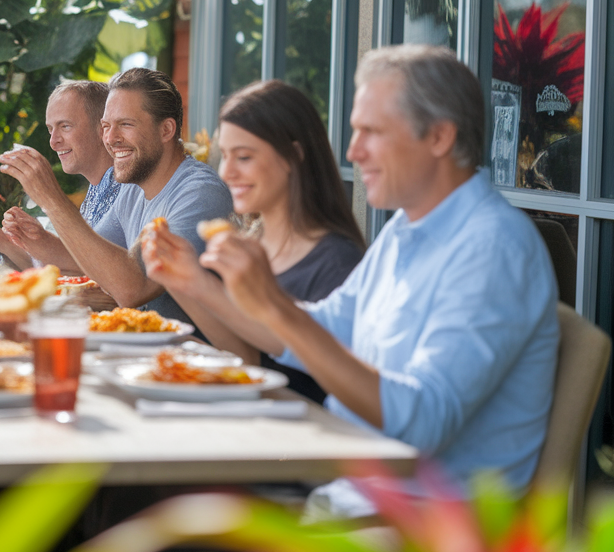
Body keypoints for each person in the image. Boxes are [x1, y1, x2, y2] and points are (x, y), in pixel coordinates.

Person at [165, 46, 559, 515]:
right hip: (351, 501)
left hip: (419, 538)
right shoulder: (406, 230)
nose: (352, 151)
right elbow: (317, 330)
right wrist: (220, 289)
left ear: (438, 136)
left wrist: (274, 305)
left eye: (370, 132)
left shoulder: (492, 247)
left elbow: (422, 423)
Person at [143, 80, 365, 401]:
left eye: (244, 157)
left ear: (294, 156)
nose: (226, 172)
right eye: (226, 156)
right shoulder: (251, 242)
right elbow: (244, 358)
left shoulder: (337, 262)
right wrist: (182, 282)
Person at [0, 67, 233, 323]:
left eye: (125, 124)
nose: (110, 139)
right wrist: (35, 239)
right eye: (106, 126)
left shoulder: (199, 193)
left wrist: (51, 200)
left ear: (166, 130)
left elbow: (134, 290)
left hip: (192, 357)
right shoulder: (134, 187)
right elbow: (91, 261)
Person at [0, 80, 119, 271]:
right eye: (50, 129)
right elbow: (75, 269)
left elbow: (112, 277)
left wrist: (48, 196)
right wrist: (6, 241)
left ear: (103, 128)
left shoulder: (129, 190)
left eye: (65, 126)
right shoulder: (98, 188)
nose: (53, 142)